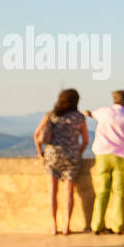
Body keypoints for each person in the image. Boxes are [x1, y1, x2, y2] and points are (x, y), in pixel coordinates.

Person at [33, 89, 89, 235]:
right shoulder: (79, 117)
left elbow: (36, 135)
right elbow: (85, 140)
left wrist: (41, 154)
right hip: (72, 157)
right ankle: (66, 225)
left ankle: (54, 225)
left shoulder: (51, 115)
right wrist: (78, 153)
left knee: (53, 191)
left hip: (52, 156)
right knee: (68, 192)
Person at [85, 90, 124, 234]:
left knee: (102, 191)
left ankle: (96, 225)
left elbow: (90, 114)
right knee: (120, 193)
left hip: (102, 155)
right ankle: (117, 226)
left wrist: (86, 113)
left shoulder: (104, 112)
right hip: (122, 156)